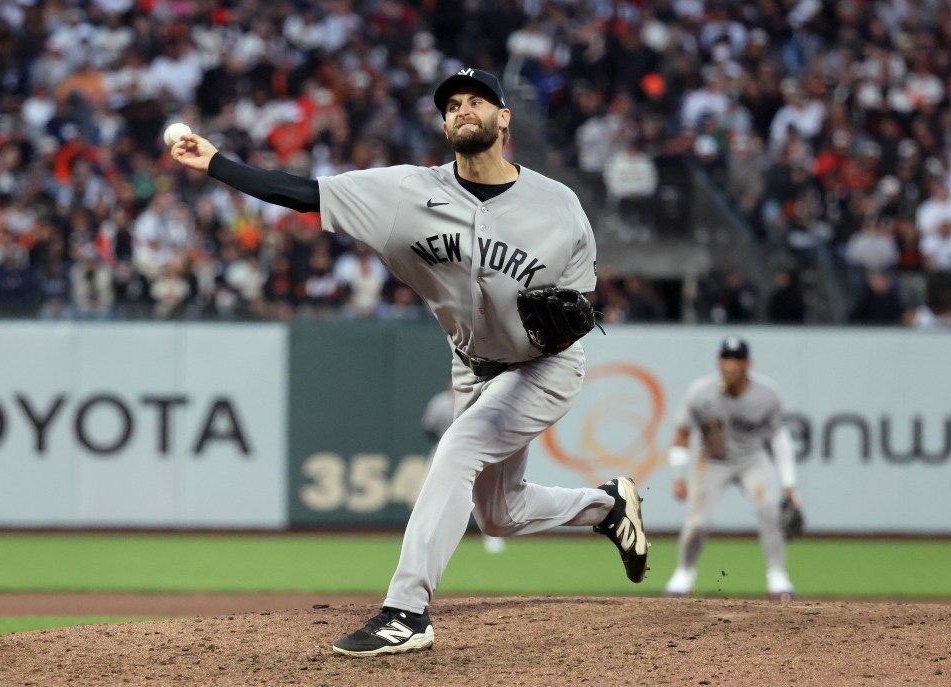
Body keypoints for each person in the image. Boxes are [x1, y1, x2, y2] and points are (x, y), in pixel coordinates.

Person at [170, 67, 649, 656]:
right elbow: (301, 193)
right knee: (499, 514)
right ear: (444, 123)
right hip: (473, 368)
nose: (463, 109)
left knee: (460, 446)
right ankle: (607, 506)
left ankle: (407, 610)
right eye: (452, 104)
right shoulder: (403, 193)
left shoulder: (559, 205)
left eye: (478, 100)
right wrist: (216, 160)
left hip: (543, 366)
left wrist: (570, 312)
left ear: (504, 118)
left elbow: (580, 301)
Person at [663, 336, 798, 599]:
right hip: (712, 460)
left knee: (769, 509)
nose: (730, 365)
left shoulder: (766, 394)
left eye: (736, 359)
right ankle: (684, 573)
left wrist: (789, 483)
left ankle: (777, 575)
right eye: (725, 358)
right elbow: (682, 433)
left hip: (752, 460)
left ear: (748, 363)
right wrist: (679, 476)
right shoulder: (701, 392)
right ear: (718, 361)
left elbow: (779, 439)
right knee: (698, 522)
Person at [421, 385, 505, 554]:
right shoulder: (440, 403)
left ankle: (492, 536)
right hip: (442, 451)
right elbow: (429, 429)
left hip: (473, 452)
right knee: (428, 492)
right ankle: (426, 537)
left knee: (484, 496)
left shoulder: (478, 402)